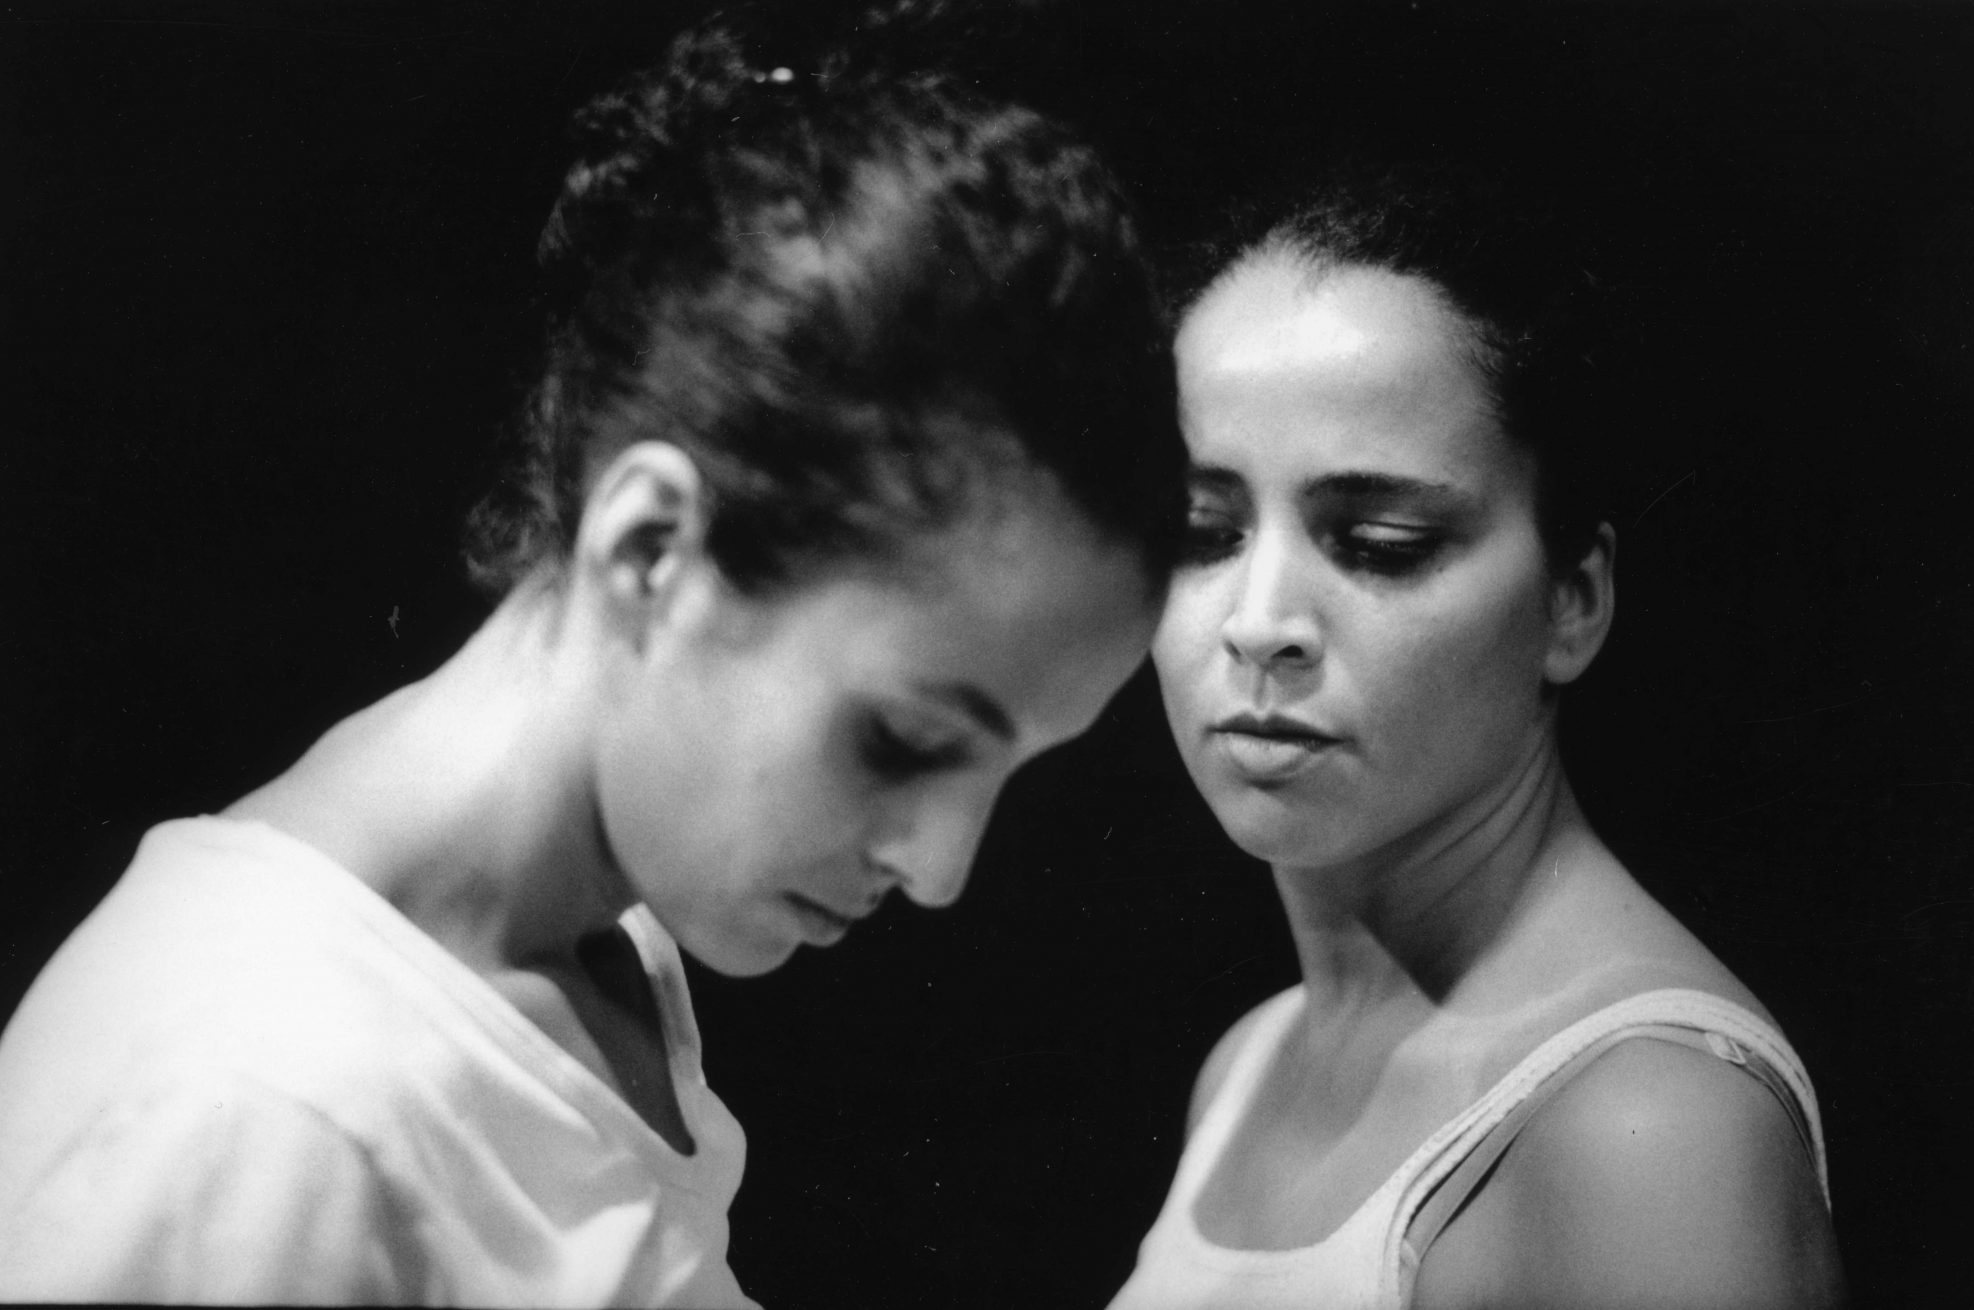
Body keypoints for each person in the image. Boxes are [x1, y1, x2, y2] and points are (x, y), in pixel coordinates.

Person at [0, 10, 1182, 1305]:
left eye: (1012, 772)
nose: (940, 869)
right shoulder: (246, 1106)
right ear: (651, 550)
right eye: (900, 740)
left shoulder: (603, 941)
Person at [1108, 167, 1842, 1308]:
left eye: (1380, 544)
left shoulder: (1647, 1129)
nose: (1259, 623)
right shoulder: (1249, 1065)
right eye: (1203, 532)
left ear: (1571, 600)